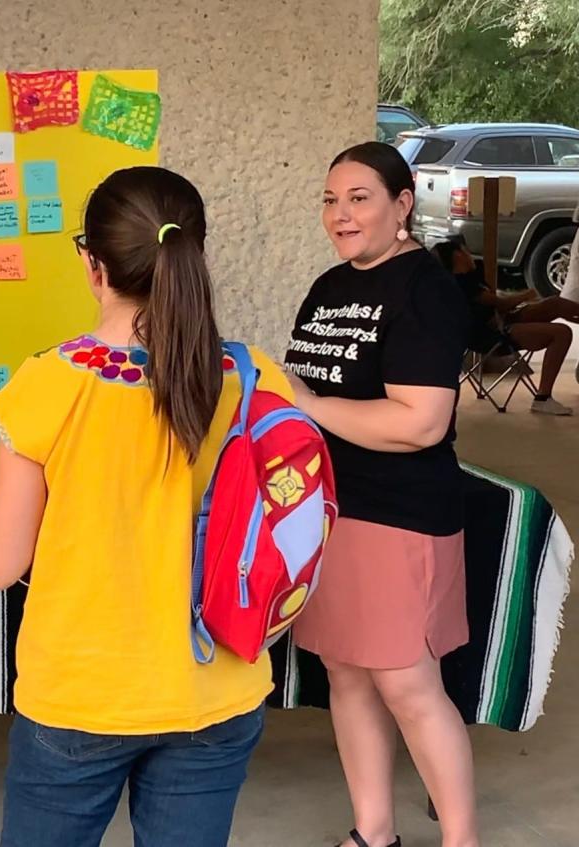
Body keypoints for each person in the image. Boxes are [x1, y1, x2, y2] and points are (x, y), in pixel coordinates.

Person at [0, 166, 291, 847]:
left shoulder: (46, 384)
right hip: (218, 683)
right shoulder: (252, 375)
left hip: (80, 693)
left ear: (92, 263)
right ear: (194, 255)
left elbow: (3, 564)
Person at [284, 142, 478, 847]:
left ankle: (462, 839)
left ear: (402, 205)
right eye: (331, 199)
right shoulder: (330, 286)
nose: (341, 214)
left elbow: (420, 421)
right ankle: (374, 833)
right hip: (329, 510)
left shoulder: (424, 287)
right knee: (347, 673)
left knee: (408, 683)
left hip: (398, 514)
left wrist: (306, 405)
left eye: (360, 197)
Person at [430, 238, 574, 415]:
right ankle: (542, 398)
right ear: (458, 255)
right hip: (490, 336)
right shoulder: (460, 284)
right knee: (561, 333)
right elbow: (502, 303)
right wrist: (527, 294)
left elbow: (498, 306)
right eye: (465, 251)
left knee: (555, 303)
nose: (470, 255)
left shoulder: (473, 275)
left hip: (501, 321)